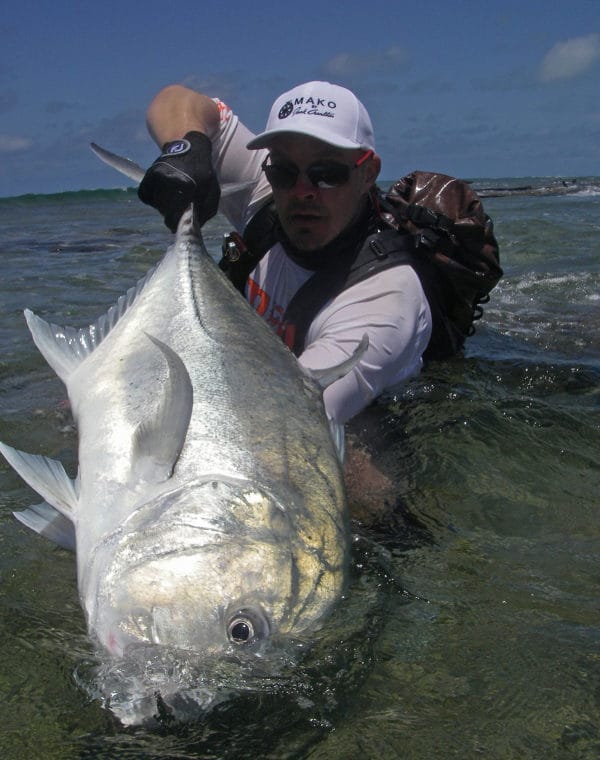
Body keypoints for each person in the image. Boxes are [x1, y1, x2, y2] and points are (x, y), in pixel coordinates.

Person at [138, 81, 432, 435]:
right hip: (268, 376)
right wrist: (185, 147)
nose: (303, 192)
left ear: (367, 173)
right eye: (283, 172)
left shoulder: (384, 298)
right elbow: (175, 100)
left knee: (362, 477)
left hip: (369, 417)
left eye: (328, 175)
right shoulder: (266, 194)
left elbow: (283, 420)